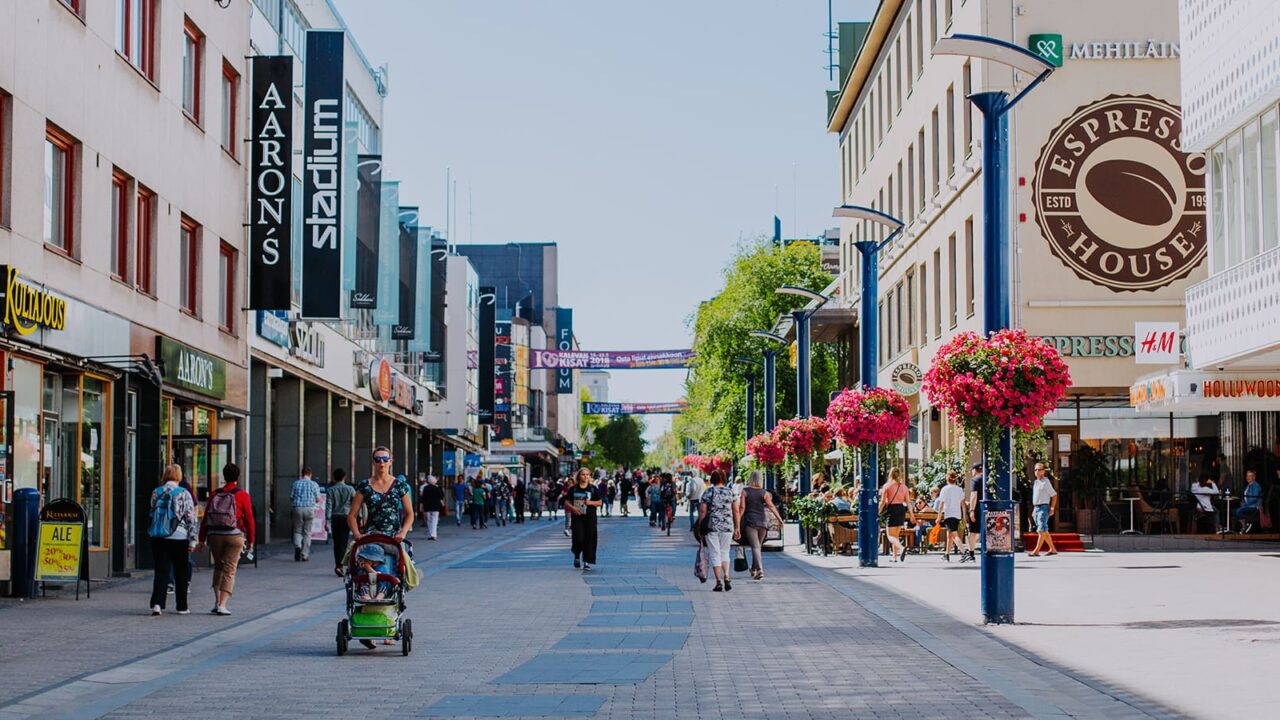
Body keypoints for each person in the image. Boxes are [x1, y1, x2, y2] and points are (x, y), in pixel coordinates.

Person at [196, 463, 254, 615]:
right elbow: (249, 519)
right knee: (230, 569)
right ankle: (223, 604)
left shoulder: (215, 494)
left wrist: (201, 539)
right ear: (238, 477)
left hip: (214, 535)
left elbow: (206, 518)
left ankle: (216, 601)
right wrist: (251, 540)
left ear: (224, 476)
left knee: (219, 567)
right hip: (234, 536)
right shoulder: (242, 495)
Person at [149, 465, 196, 616]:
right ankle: (182, 606)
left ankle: (157, 604)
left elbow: (151, 512)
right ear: (179, 476)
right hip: (179, 536)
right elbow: (190, 518)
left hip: (159, 537)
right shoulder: (183, 493)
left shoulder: (157, 492)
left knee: (161, 571)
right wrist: (193, 540)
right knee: (180, 572)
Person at [348, 447, 415, 540]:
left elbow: (410, 514)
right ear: (373, 462)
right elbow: (352, 515)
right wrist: (357, 534)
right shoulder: (364, 485)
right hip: (372, 535)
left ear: (390, 461)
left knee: (403, 554)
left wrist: (403, 533)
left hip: (395, 537)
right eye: (377, 459)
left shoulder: (399, 485)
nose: (381, 462)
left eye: (385, 459)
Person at [734, 470, 783, 580]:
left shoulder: (745, 491)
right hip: (763, 523)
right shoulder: (764, 492)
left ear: (750, 478)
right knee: (757, 547)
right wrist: (780, 519)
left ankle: (760, 570)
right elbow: (771, 506)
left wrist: (737, 523)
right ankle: (754, 569)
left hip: (750, 523)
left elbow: (742, 508)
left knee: (755, 547)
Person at [699, 470, 737, 592]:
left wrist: (700, 526)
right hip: (727, 526)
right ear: (724, 478)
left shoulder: (708, 492)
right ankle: (727, 576)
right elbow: (736, 510)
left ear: (712, 479)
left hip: (712, 527)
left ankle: (719, 582)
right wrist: (737, 527)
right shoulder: (730, 492)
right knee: (725, 552)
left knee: (715, 553)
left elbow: (703, 512)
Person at [565, 468, 602, 570]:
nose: (585, 477)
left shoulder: (593, 488)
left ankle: (586, 562)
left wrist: (591, 503)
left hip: (590, 517)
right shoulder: (573, 489)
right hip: (577, 517)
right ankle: (577, 555)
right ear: (579, 476)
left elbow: (599, 502)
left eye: (587, 475)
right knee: (578, 538)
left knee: (589, 539)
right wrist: (573, 508)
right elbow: (567, 502)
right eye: (583, 474)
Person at [880, 467, 914, 563]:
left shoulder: (887, 486)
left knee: (890, 535)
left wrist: (878, 512)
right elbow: (908, 502)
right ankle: (894, 557)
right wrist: (912, 515)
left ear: (890, 474)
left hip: (892, 509)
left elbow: (882, 502)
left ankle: (901, 548)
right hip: (901, 509)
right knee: (896, 535)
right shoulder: (904, 487)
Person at [326, 469, 355, 575]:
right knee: (344, 541)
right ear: (345, 477)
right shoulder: (350, 489)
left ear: (334, 477)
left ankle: (338, 564)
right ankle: (341, 565)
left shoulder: (331, 490)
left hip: (335, 517)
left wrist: (327, 519)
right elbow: (355, 504)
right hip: (346, 517)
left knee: (337, 542)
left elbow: (329, 505)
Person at [1027, 462, 1059, 556]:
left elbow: (1054, 495)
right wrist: (1034, 510)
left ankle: (1036, 551)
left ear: (1044, 471)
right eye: (1035, 470)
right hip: (1037, 508)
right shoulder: (1036, 482)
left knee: (1041, 530)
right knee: (1044, 530)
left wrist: (1052, 508)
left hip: (1043, 508)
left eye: (1039, 469)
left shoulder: (1046, 481)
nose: (1037, 471)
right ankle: (1053, 549)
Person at [290, 467, 321, 562]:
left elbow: (291, 497)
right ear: (310, 474)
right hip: (309, 509)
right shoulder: (314, 484)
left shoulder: (296, 483)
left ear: (302, 474)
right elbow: (318, 498)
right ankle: (305, 554)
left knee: (297, 530)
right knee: (307, 532)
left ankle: (298, 546)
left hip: (298, 508)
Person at [935, 472, 966, 561]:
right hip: (957, 514)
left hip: (949, 514)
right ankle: (947, 554)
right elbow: (963, 504)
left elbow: (941, 504)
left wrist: (939, 516)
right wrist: (964, 517)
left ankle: (964, 552)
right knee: (950, 534)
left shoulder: (945, 489)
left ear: (947, 479)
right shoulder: (959, 489)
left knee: (954, 534)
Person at [963, 462, 984, 563]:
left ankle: (971, 554)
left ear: (975, 470)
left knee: (972, 532)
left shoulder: (975, 480)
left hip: (977, 508)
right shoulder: (988, 479)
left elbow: (973, 495)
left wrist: (971, 510)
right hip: (987, 508)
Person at [419, 475, 444, 540]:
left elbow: (423, 498)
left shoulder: (426, 488)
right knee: (435, 521)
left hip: (428, 507)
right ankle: (434, 535)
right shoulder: (437, 488)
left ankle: (431, 534)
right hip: (436, 507)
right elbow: (441, 496)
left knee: (429, 521)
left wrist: (421, 506)